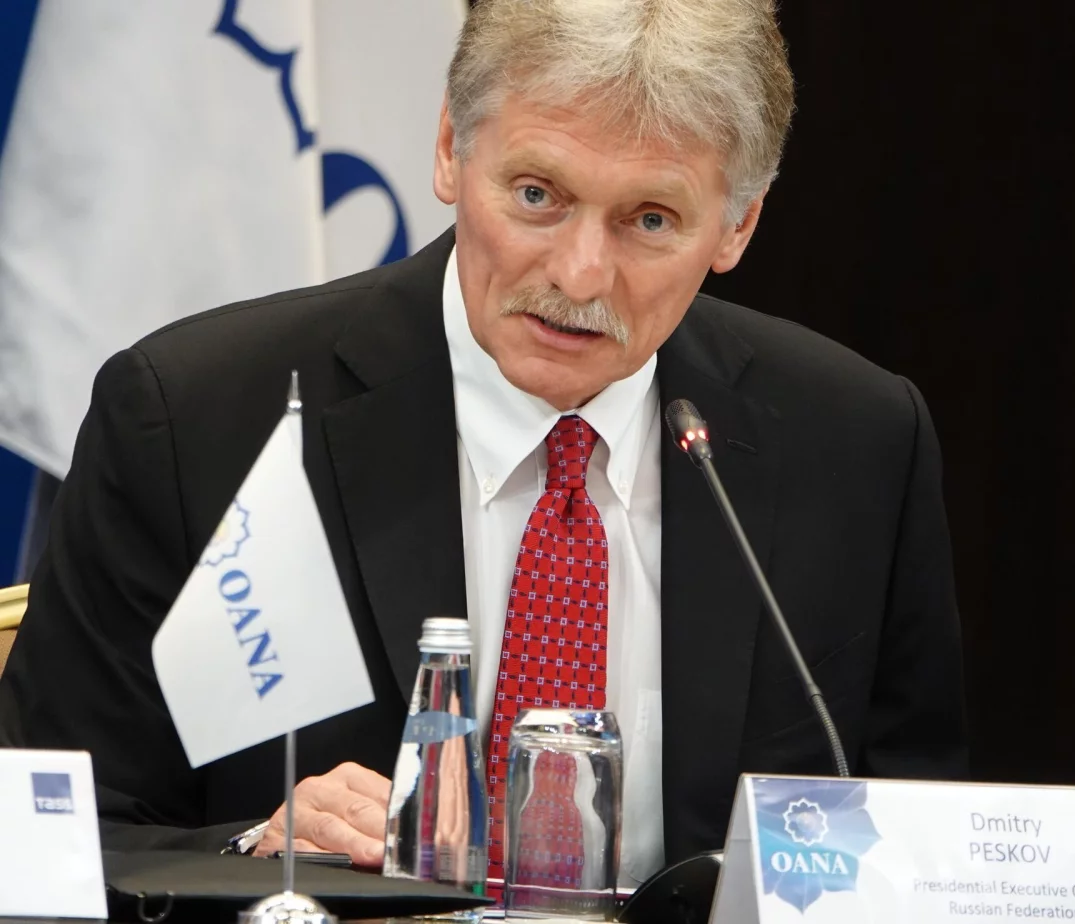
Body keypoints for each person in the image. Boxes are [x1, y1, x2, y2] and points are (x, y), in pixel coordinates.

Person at [0, 0, 966, 887]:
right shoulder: (201, 424)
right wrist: (255, 849)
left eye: (651, 220)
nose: (580, 275)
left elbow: (918, 852)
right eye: (538, 194)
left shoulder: (854, 446)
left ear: (737, 226)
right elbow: (43, 841)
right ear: (449, 151)